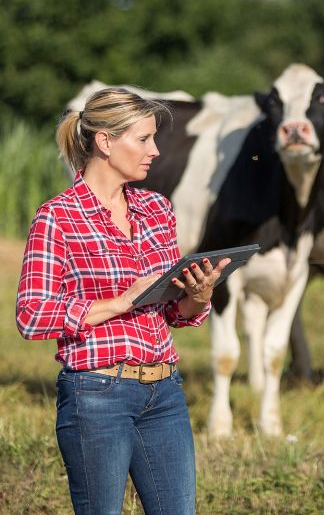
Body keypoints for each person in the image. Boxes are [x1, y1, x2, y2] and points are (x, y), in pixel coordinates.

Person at [16, 87, 230, 515]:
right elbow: (31, 314)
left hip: (165, 389)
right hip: (96, 394)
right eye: (144, 139)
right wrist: (120, 302)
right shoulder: (58, 217)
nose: (155, 150)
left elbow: (172, 312)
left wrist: (197, 295)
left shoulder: (157, 209)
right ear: (105, 141)